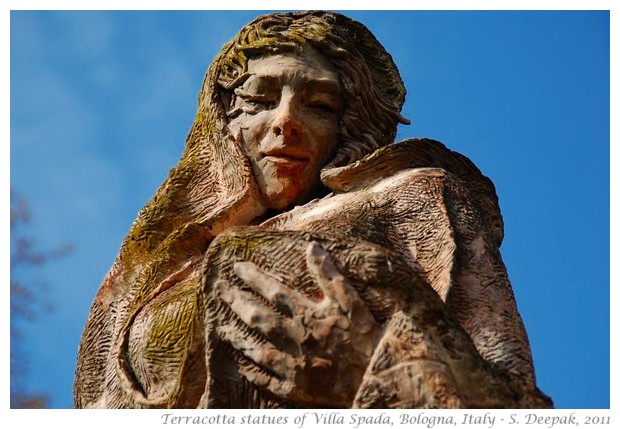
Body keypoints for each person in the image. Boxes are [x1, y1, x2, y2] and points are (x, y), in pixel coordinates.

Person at [74, 11, 552, 409]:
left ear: (348, 126)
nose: (286, 122)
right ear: (224, 120)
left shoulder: (411, 198)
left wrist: (373, 364)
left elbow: (509, 401)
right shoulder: (148, 269)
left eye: (319, 104)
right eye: (259, 99)